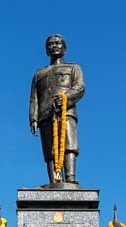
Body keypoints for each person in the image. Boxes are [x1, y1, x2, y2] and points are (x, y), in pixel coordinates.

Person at [29, 33, 85, 185]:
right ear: (46, 50)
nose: (54, 46)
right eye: (50, 44)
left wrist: (66, 96)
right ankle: (54, 180)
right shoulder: (39, 74)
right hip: (45, 115)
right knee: (50, 151)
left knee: (69, 144)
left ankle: (71, 178)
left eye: (57, 43)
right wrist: (33, 118)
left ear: (64, 48)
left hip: (66, 112)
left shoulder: (73, 68)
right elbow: (34, 98)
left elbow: (79, 87)